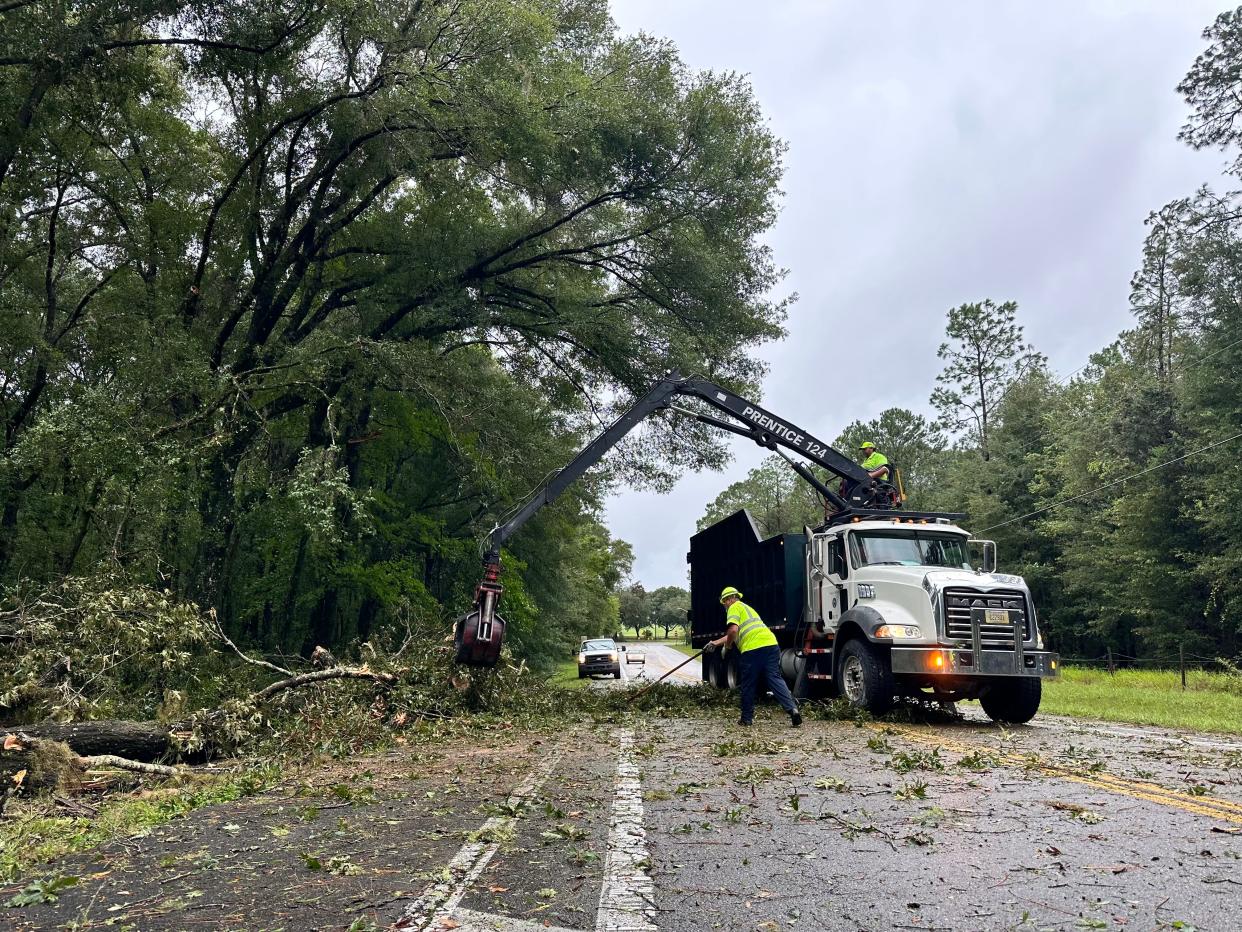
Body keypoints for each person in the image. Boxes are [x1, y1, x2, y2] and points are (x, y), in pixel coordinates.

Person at [705, 587, 801, 727]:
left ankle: (746, 719)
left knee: (748, 683)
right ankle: (792, 709)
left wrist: (728, 646)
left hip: (753, 649)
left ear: (730, 599)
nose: (724, 605)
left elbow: (732, 630)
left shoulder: (733, 608)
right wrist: (716, 643)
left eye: (724, 602)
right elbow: (738, 632)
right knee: (774, 678)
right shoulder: (747, 608)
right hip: (771, 645)